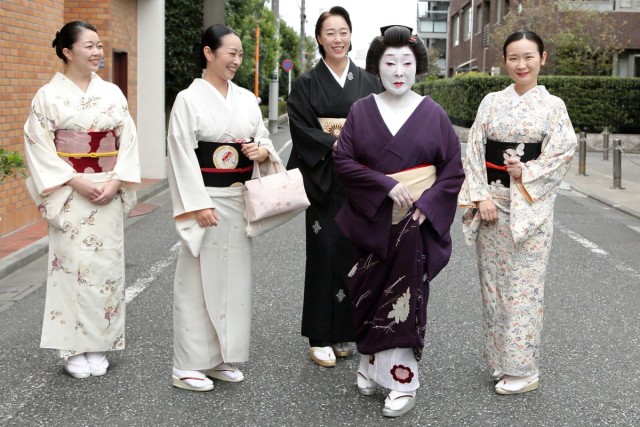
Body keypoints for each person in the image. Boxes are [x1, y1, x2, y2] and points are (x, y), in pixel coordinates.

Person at [333, 26, 464, 417]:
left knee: (402, 300)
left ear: (416, 67)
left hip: (414, 222)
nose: (398, 71)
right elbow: (343, 161)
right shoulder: (361, 110)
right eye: (390, 62)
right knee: (368, 293)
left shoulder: (433, 113)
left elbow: (452, 169)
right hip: (373, 217)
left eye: (406, 62)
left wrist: (431, 203)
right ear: (377, 66)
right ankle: (370, 366)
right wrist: (385, 185)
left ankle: (402, 381)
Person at [458, 30, 577, 395]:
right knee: (493, 287)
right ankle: (500, 361)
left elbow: (563, 152)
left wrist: (526, 171)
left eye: (528, 57)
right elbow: (474, 150)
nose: (521, 64)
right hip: (492, 207)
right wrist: (481, 197)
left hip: (530, 211)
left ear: (543, 58)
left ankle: (524, 370)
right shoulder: (491, 102)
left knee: (524, 289)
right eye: (513, 57)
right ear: (505, 61)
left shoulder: (553, 107)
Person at [166, 24, 281, 392]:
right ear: (208, 53)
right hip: (206, 200)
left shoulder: (245, 98)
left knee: (233, 282)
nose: (237, 60)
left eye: (240, 54)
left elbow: (263, 138)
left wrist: (261, 151)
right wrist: (196, 204)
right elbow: (180, 154)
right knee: (196, 283)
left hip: (237, 198)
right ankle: (186, 364)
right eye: (231, 53)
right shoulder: (188, 99)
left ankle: (220, 358)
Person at [23, 21, 140, 379]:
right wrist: (74, 179)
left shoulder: (112, 93)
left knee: (105, 267)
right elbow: (38, 145)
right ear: (67, 51)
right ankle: (72, 348)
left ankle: (100, 344)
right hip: (70, 192)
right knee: (70, 268)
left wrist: (117, 180)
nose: (97, 52)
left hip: (107, 189)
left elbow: (127, 139)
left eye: (99, 45)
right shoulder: (47, 96)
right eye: (89, 46)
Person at [286, 5, 383, 368]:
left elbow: (382, 123)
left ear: (351, 35)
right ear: (319, 38)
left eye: (343, 32)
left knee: (355, 256)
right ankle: (319, 335)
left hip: (360, 180)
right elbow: (301, 127)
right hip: (324, 179)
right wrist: (336, 143)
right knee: (324, 253)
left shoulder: (369, 82)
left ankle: (344, 332)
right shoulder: (307, 84)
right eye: (330, 33)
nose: (338, 39)